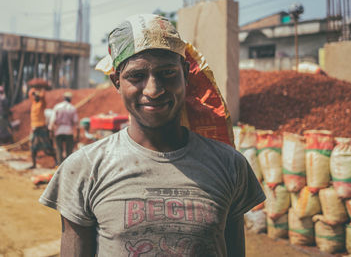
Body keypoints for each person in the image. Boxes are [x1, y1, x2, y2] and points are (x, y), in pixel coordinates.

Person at [39, 14, 265, 257]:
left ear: (186, 74)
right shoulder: (84, 168)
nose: (154, 90)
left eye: (167, 73)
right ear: (117, 81)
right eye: (136, 76)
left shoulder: (229, 165)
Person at [28, 85, 57, 168]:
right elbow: (30, 93)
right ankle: (33, 164)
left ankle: (56, 161)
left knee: (47, 147)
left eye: (37, 96)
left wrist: (41, 89)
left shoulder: (41, 104)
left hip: (41, 129)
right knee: (33, 147)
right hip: (34, 129)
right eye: (35, 96)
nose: (35, 97)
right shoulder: (33, 104)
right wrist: (33, 89)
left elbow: (43, 96)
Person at [49, 91, 79, 165]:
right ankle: (68, 166)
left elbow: (52, 120)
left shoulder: (57, 107)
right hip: (69, 131)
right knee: (69, 151)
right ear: (70, 99)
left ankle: (59, 165)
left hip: (58, 131)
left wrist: (51, 130)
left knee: (59, 149)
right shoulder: (72, 108)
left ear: (64, 98)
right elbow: (76, 122)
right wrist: (77, 133)